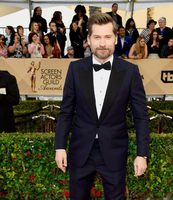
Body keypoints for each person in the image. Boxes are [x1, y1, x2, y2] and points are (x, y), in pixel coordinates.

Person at [55, 12, 150, 199]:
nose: (102, 43)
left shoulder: (130, 72)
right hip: (81, 151)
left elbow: (141, 117)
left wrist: (142, 154)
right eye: (97, 37)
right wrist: (59, 147)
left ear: (115, 38)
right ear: (88, 39)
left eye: (107, 37)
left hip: (114, 151)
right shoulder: (75, 69)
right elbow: (66, 111)